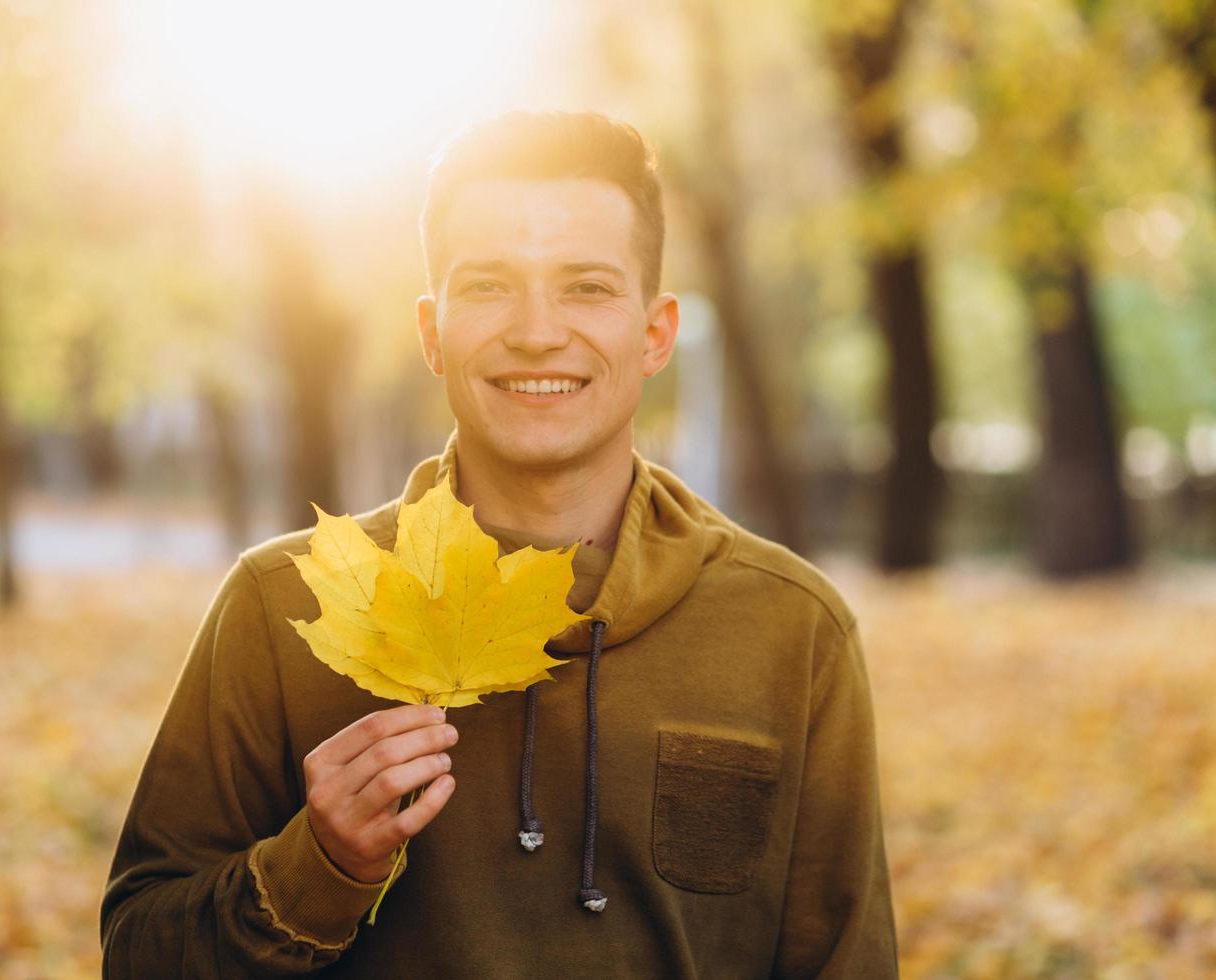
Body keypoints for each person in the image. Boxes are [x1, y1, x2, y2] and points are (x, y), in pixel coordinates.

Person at [101, 110, 898, 978]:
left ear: (655, 333)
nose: (536, 330)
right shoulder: (285, 603)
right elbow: (138, 952)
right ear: (432, 331)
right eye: (487, 286)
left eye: (586, 287)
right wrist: (316, 868)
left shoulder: (792, 629)